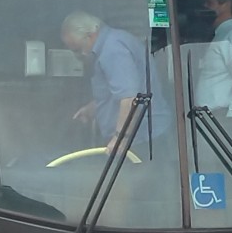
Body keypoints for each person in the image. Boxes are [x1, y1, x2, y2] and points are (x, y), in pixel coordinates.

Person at [60, 11, 170, 154]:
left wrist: (120, 138)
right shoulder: (116, 41)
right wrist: (94, 107)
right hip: (141, 134)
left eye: (78, 49)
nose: (79, 56)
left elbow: (130, 98)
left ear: (91, 35)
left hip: (141, 139)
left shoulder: (112, 50)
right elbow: (123, 90)